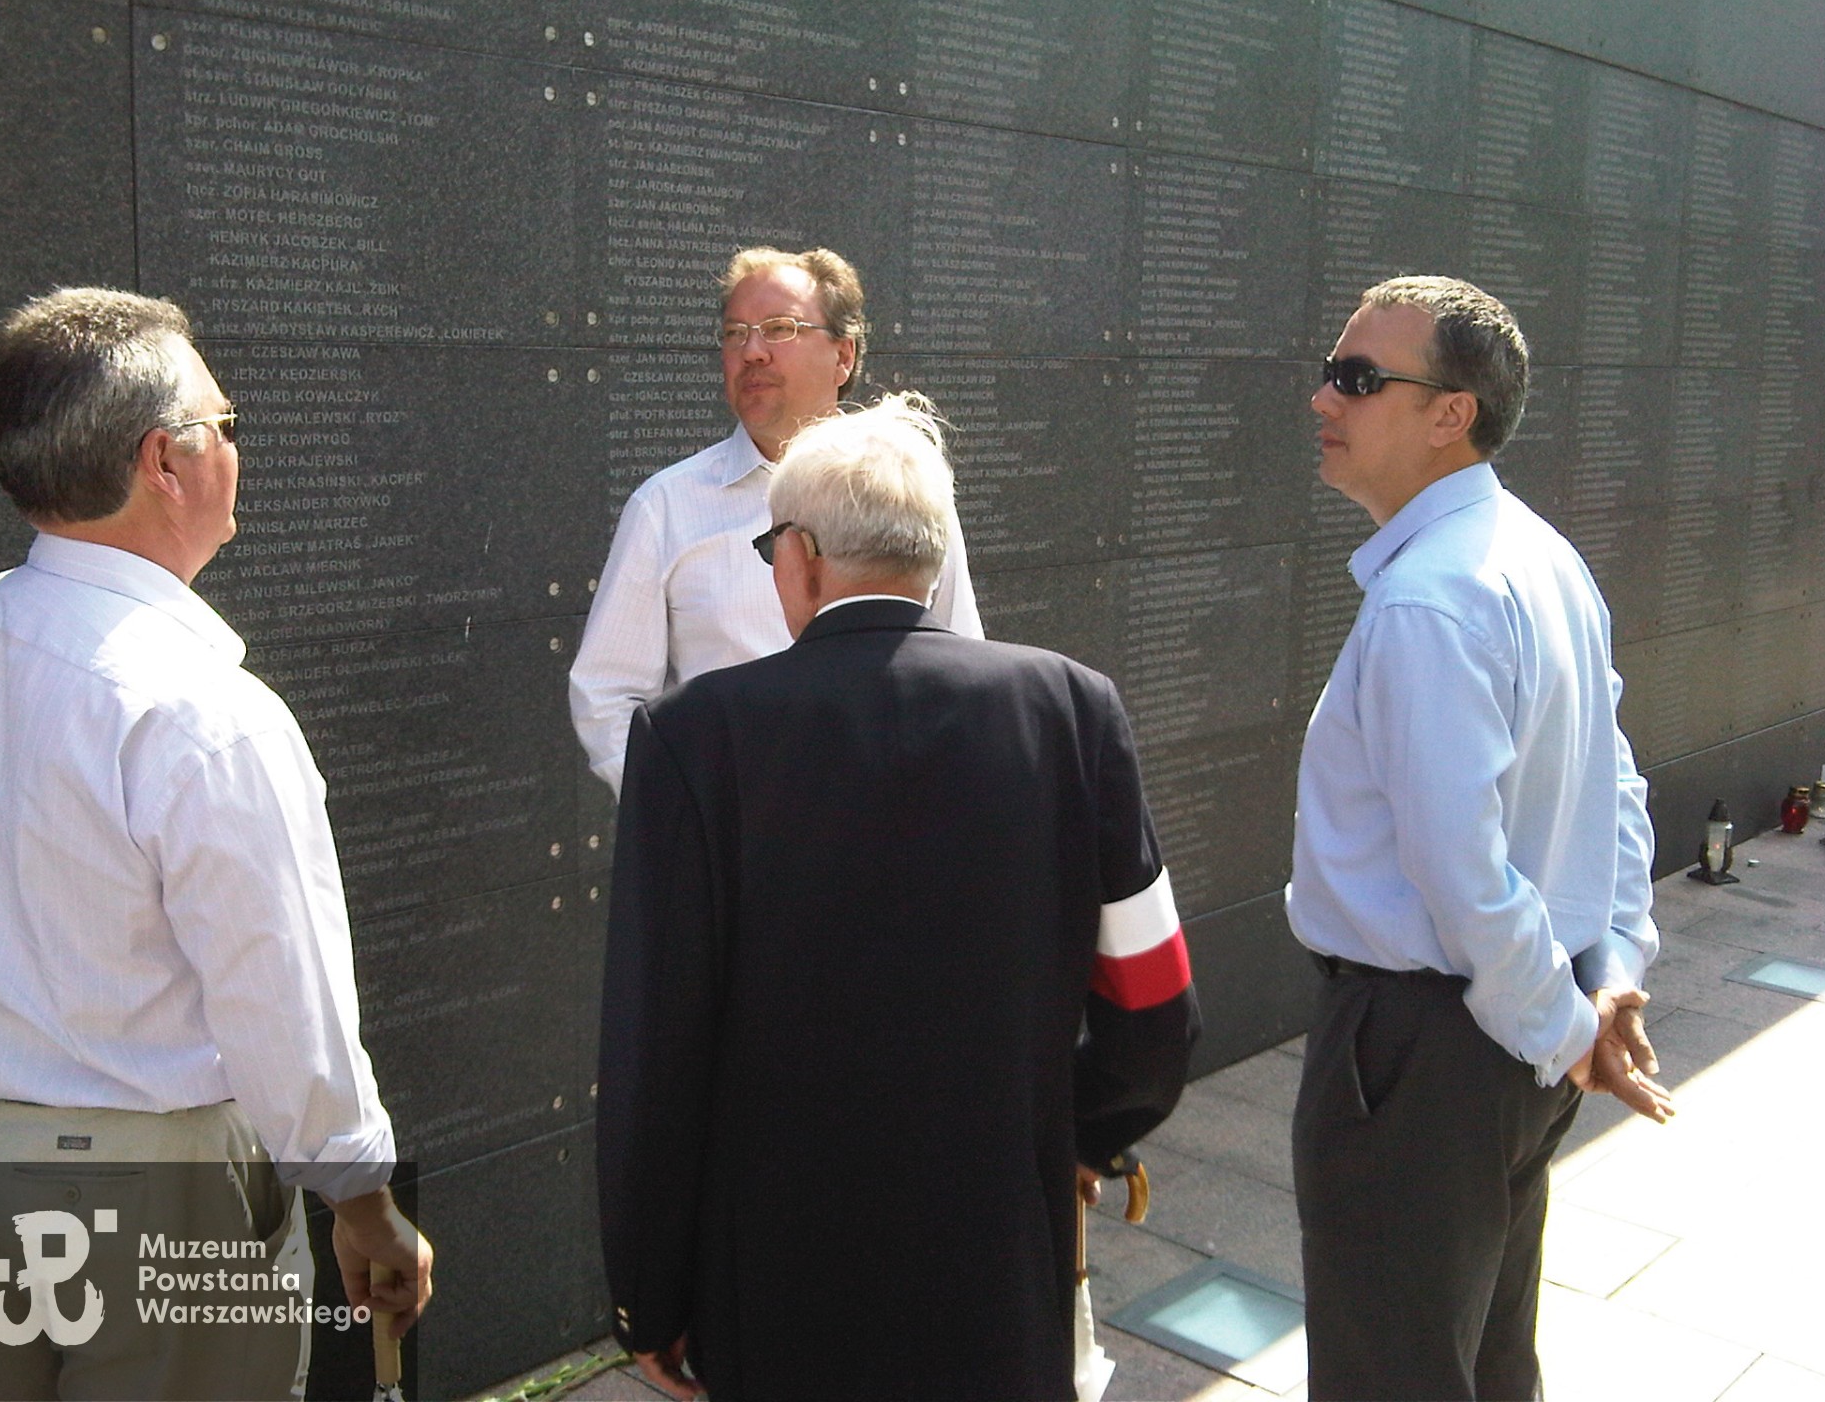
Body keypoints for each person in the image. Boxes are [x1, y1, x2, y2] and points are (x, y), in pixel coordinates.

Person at [595, 393, 1199, 1402]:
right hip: (1000, 1251)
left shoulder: (695, 735)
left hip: (779, 1277)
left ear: (801, 556)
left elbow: (656, 1051)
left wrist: (648, 1297)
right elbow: (1153, 998)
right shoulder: (1072, 707)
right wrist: (1071, 1134)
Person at [0, 287, 431, 1400]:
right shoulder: (203, 710)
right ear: (168, 459)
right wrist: (363, 1199)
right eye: (226, 424)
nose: (235, 447)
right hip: (153, 1182)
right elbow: (280, 996)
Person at [1287, 276, 1675, 1401]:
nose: (1324, 396)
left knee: (1394, 1374)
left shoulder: (1434, 599)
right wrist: (1608, 977)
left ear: (1449, 412)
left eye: (1359, 378)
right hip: (1509, 1037)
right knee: (1486, 1365)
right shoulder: (1539, 555)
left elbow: (1463, 873)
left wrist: (1570, 1025)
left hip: (1424, 1055)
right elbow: (1619, 787)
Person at [569, 245, 983, 796]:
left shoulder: (910, 490)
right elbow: (606, 693)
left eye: (780, 328)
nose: (752, 351)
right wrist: (685, 815)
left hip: (891, 831)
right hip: (738, 847)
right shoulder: (666, 507)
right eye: (735, 333)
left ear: (843, 356)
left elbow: (960, 655)